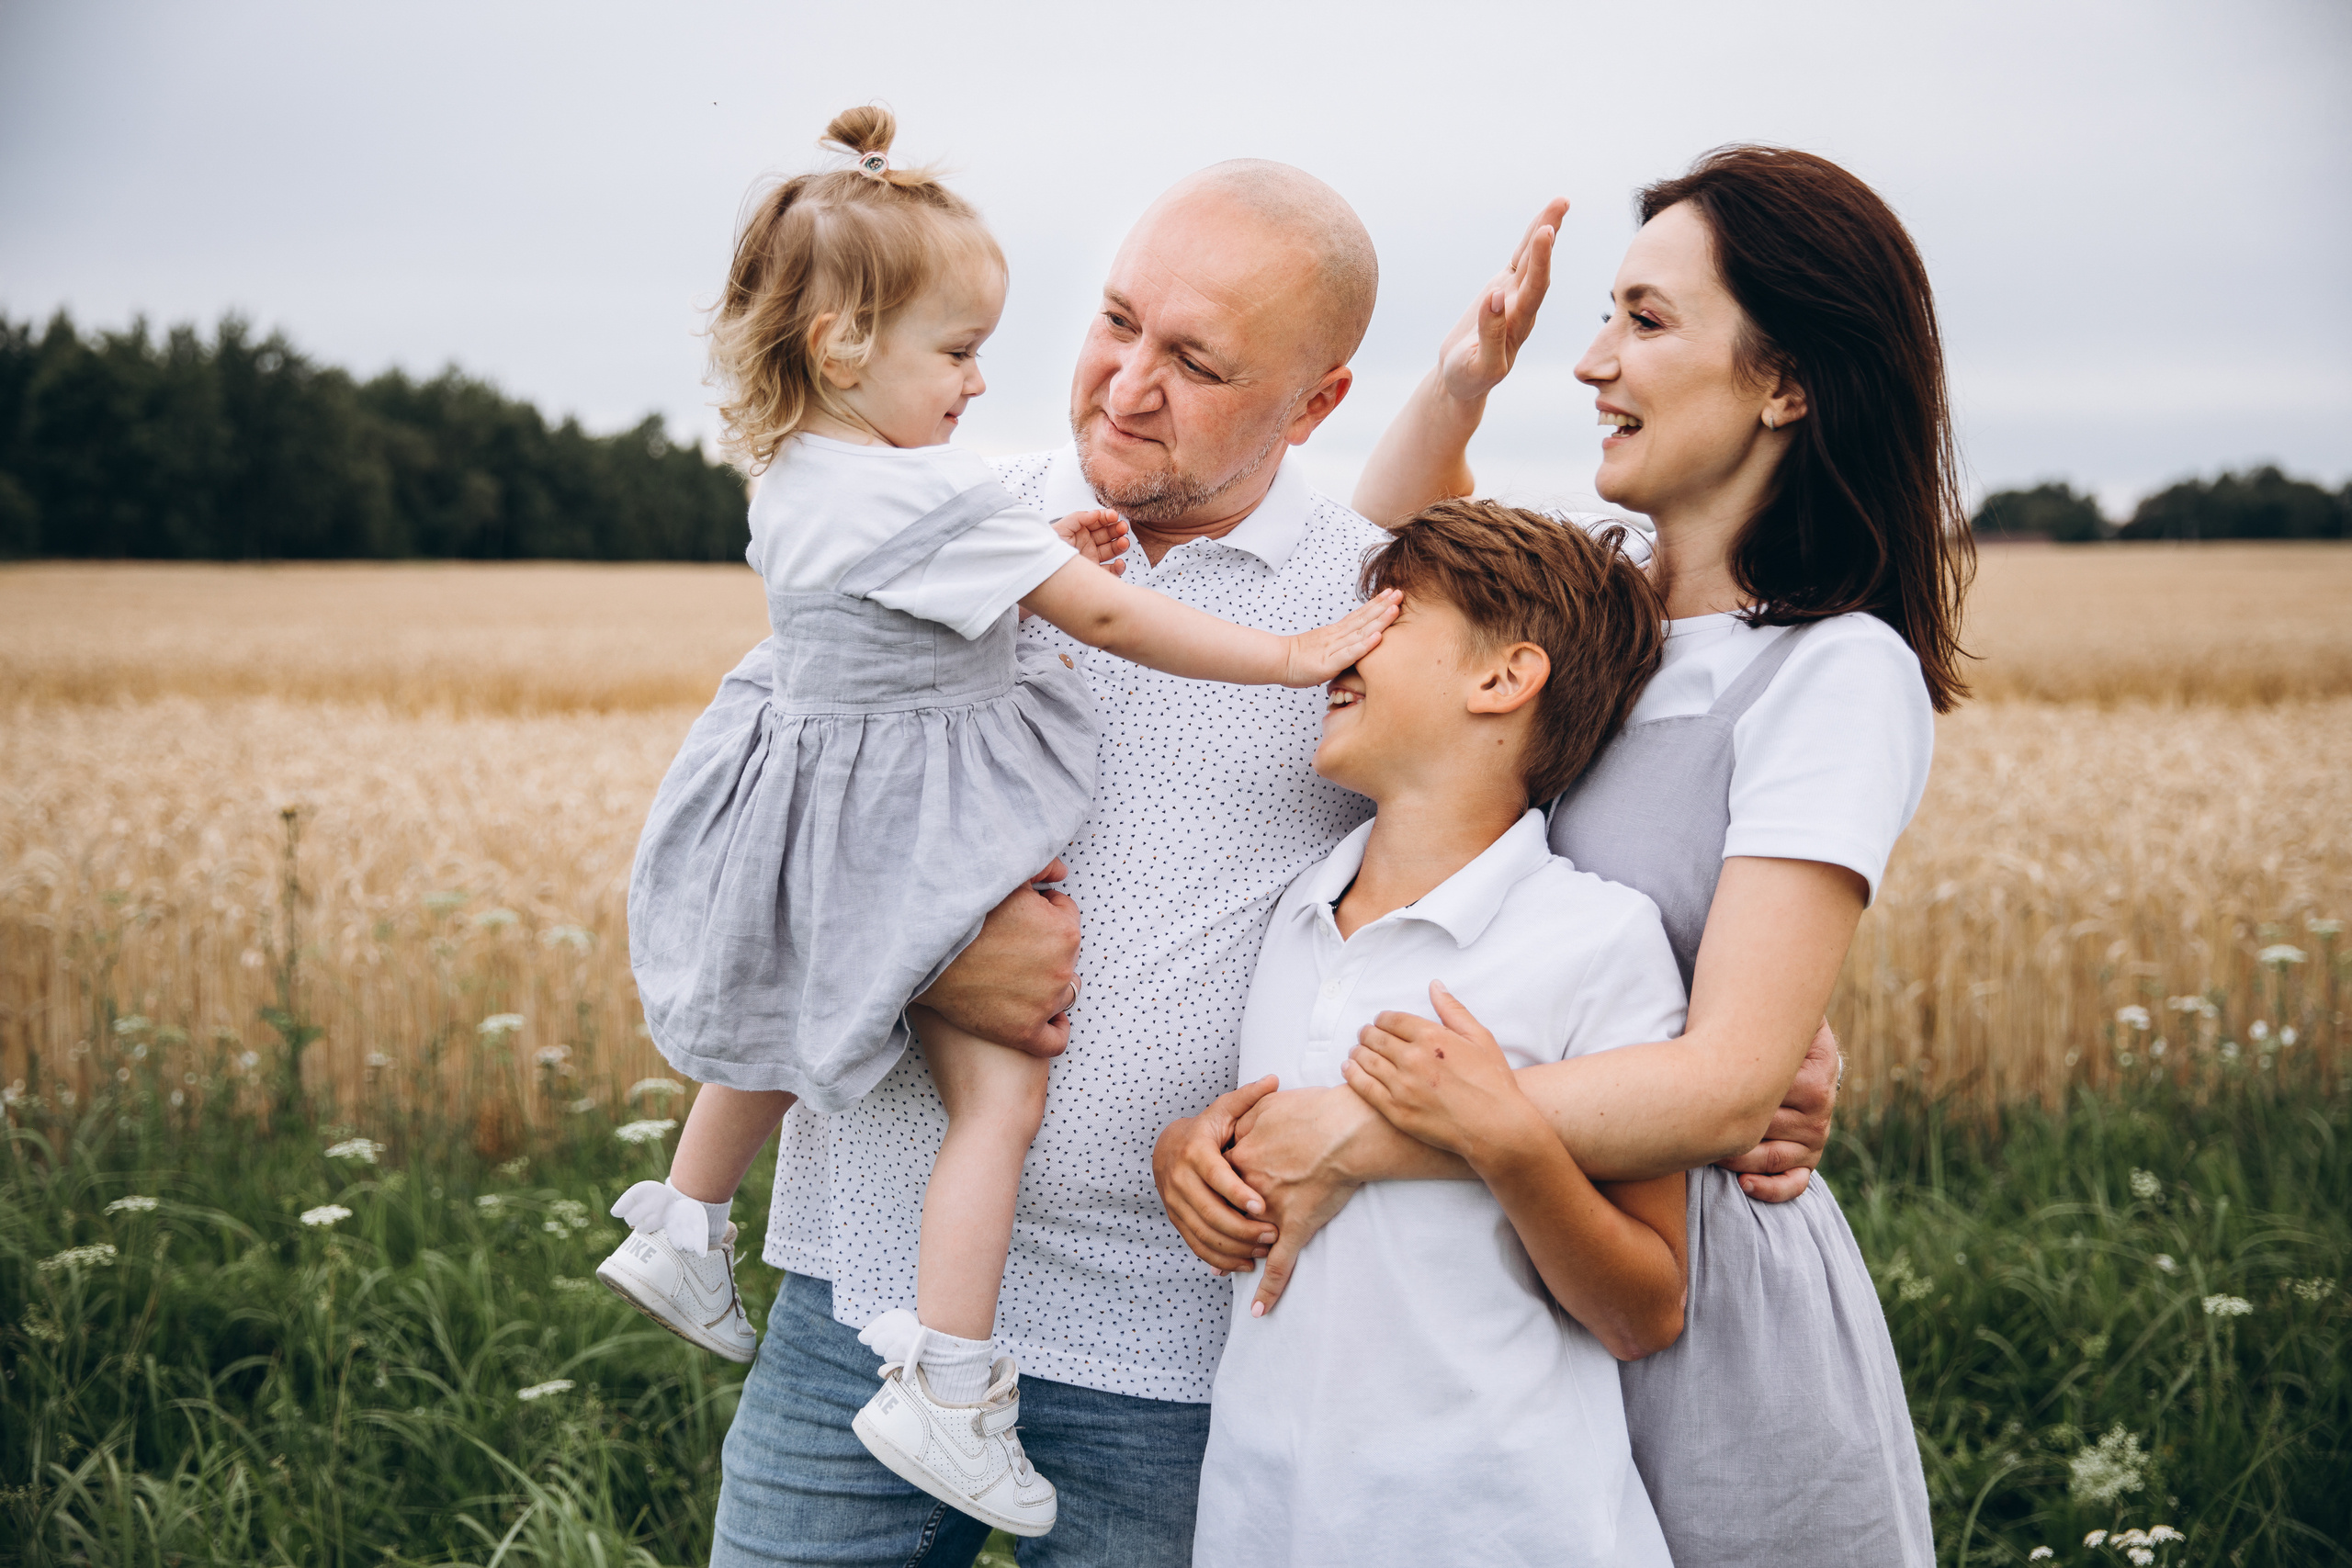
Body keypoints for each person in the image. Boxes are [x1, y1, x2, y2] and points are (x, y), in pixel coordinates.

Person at [1157, 145, 1969, 1567]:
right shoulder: (1609, 618)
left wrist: (1356, 1130)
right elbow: (1393, 549)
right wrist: (1469, 375)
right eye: (1604, 316)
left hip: (1689, 1304)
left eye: (1647, 321)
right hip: (1472, 1305)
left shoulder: (1833, 670)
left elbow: (1728, 1083)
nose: (1594, 361)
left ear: (1786, 383)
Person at [596, 107, 1397, 1540]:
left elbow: (1488, 885)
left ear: (1316, 401)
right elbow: (772, 826)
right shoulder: (935, 503)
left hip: (1173, 1351)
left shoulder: (1378, 608)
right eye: (1118, 322)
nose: (1128, 385)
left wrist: (1696, 1044)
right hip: (857, 1302)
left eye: (1197, 361)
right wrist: (925, 958)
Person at [1194, 499, 1689, 1568]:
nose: (1342, 645)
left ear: (1503, 678)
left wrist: (1505, 1139)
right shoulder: (1291, 913)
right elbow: (1267, 1139)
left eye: (1390, 614)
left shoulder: (1596, 940)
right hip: (1266, 1518)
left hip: (1501, 1530)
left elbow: (1644, 1311)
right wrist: (1188, 1160)